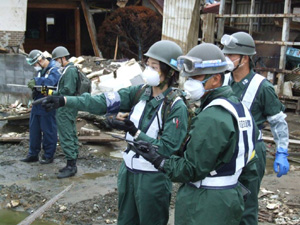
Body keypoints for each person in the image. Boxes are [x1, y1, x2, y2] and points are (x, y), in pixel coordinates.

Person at [39, 40, 189, 225]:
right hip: (128, 173)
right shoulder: (139, 92)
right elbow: (102, 101)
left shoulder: (175, 106)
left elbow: (168, 147)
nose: (148, 70)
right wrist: (65, 100)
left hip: (152, 178)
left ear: (170, 72)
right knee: (125, 220)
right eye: (147, 65)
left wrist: (135, 133)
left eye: (154, 66)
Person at [132, 43, 258, 225]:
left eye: (196, 77)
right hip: (228, 196)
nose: (190, 82)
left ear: (215, 79)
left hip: (204, 204)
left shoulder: (212, 117)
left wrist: (159, 160)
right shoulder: (238, 107)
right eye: (189, 77)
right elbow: (250, 162)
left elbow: (190, 170)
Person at [221, 31, 290, 225]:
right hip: (225, 149)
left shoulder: (262, 87)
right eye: (225, 54)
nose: (227, 59)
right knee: (223, 200)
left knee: (246, 204)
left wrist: (282, 151)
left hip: (251, 152)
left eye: (231, 55)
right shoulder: (222, 81)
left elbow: (278, 123)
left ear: (245, 58)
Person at [20, 50, 60, 164]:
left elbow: (50, 83)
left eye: (34, 64)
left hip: (47, 104)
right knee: (34, 130)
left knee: (48, 131)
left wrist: (36, 81)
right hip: (38, 103)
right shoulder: (41, 71)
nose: (34, 67)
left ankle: (48, 155)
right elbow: (42, 86)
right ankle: (33, 154)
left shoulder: (54, 69)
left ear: (40, 60)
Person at [50, 46, 79, 179]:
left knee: (66, 135)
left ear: (62, 58)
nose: (56, 62)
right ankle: (71, 163)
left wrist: (54, 94)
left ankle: (71, 165)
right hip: (67, 106)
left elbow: (68, 90)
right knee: (70, 133)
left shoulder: (70, 71)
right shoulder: (68, 70)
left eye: (56, 60)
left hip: (66, 108)